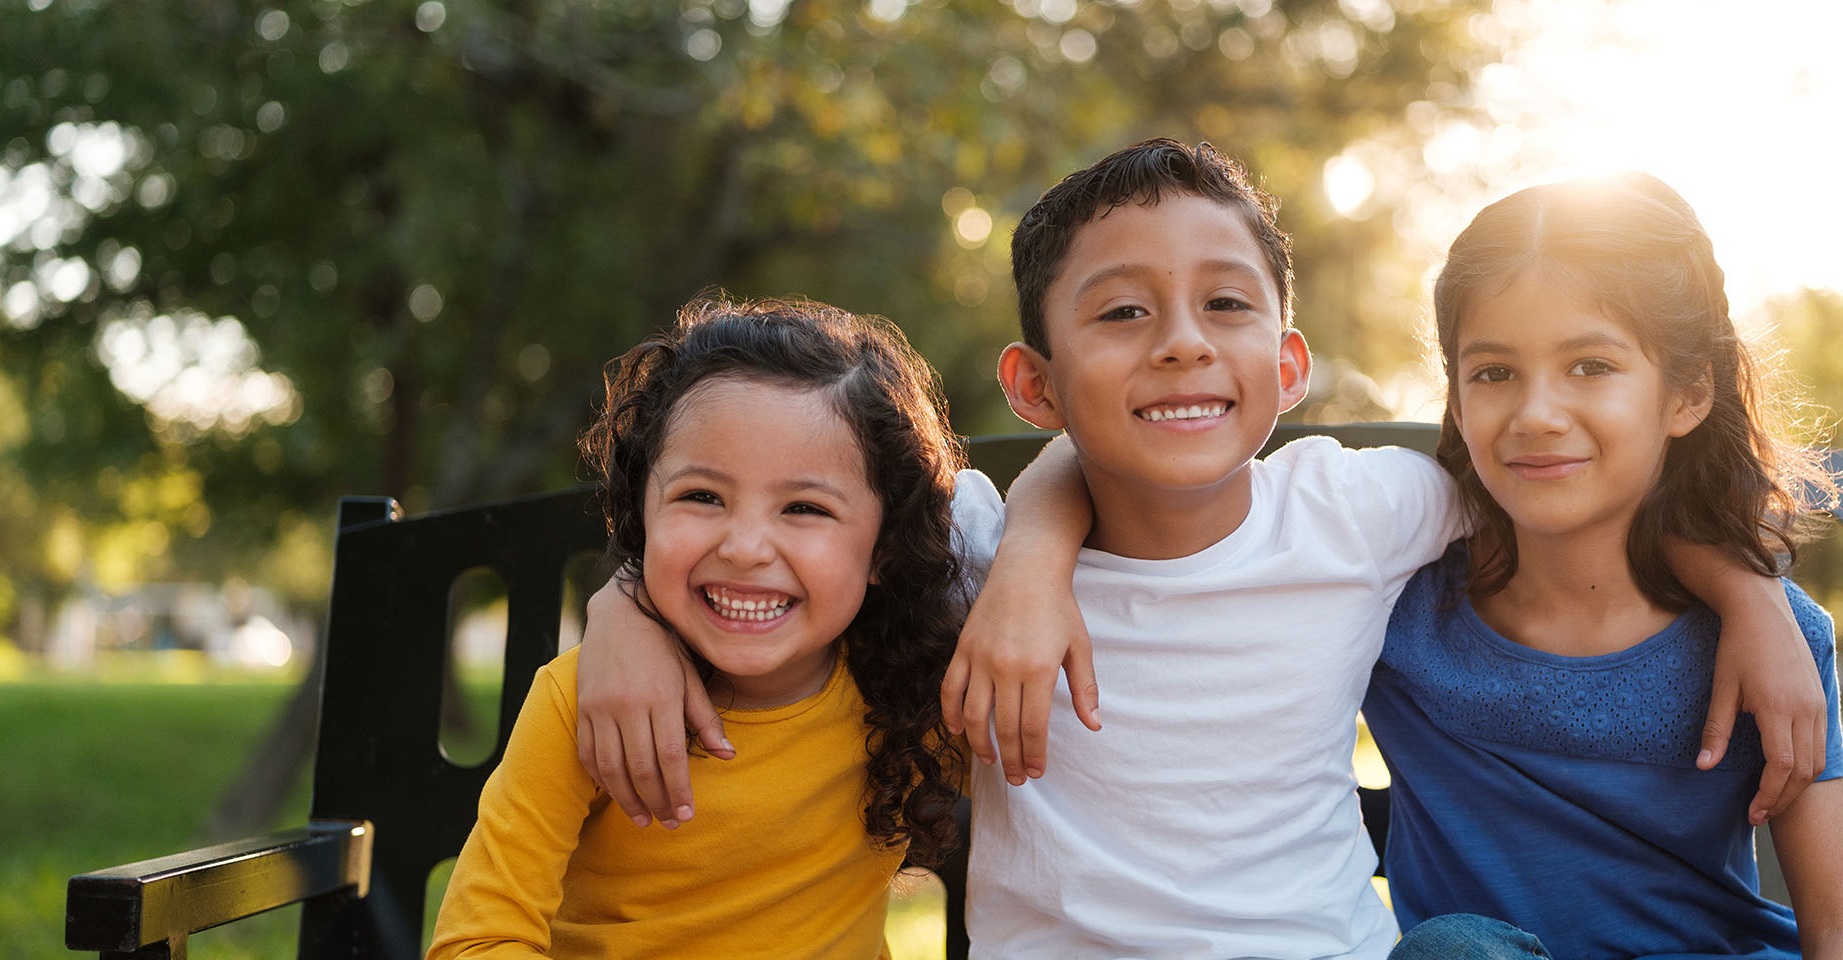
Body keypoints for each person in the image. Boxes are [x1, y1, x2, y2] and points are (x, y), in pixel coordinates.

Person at [570, 141, 1826, 957]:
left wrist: (1753, 595)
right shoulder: (965, 540)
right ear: (1036, 385)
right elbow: (763, 544)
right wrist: (627, 607)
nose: (1179, 342)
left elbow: (1581, 499)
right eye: (1122, 312)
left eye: (1225, 304)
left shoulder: (1362, 512)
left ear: (1288, 368)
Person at [1363, 173, 1843, 957]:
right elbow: (1148, 491)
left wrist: (1755, 599)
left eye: (1590, 366)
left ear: (1686, 393)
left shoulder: (1772, 644)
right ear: (1454, 396)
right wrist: (1075, 524)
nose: (1537, 414)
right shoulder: (1390, 601)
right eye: (1493, 373)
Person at [426, 295, 968, 959]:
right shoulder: (584, 702)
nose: (744, 547)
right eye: (701, 497)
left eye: (803, 507)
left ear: (885, 545)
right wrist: (626, 596)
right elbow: (477, 941)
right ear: (642, 513)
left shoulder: (921, 696)